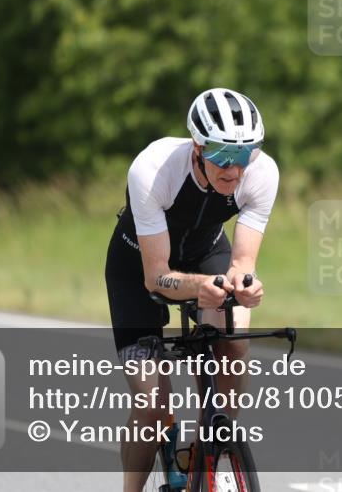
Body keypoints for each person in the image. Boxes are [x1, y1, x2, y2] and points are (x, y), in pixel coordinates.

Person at [104, 87, 279, 492]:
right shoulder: (152, 170)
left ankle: (208, 449)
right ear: (198, 146)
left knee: (233, 340)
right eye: (222, 154)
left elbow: (242, 263)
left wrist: (245, 286)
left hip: (205, 252)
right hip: (139, 267)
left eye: (246, 153)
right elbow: (156, 277)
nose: (234, 169)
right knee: (152, 405)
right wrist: (203, 286)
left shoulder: (263, 172)